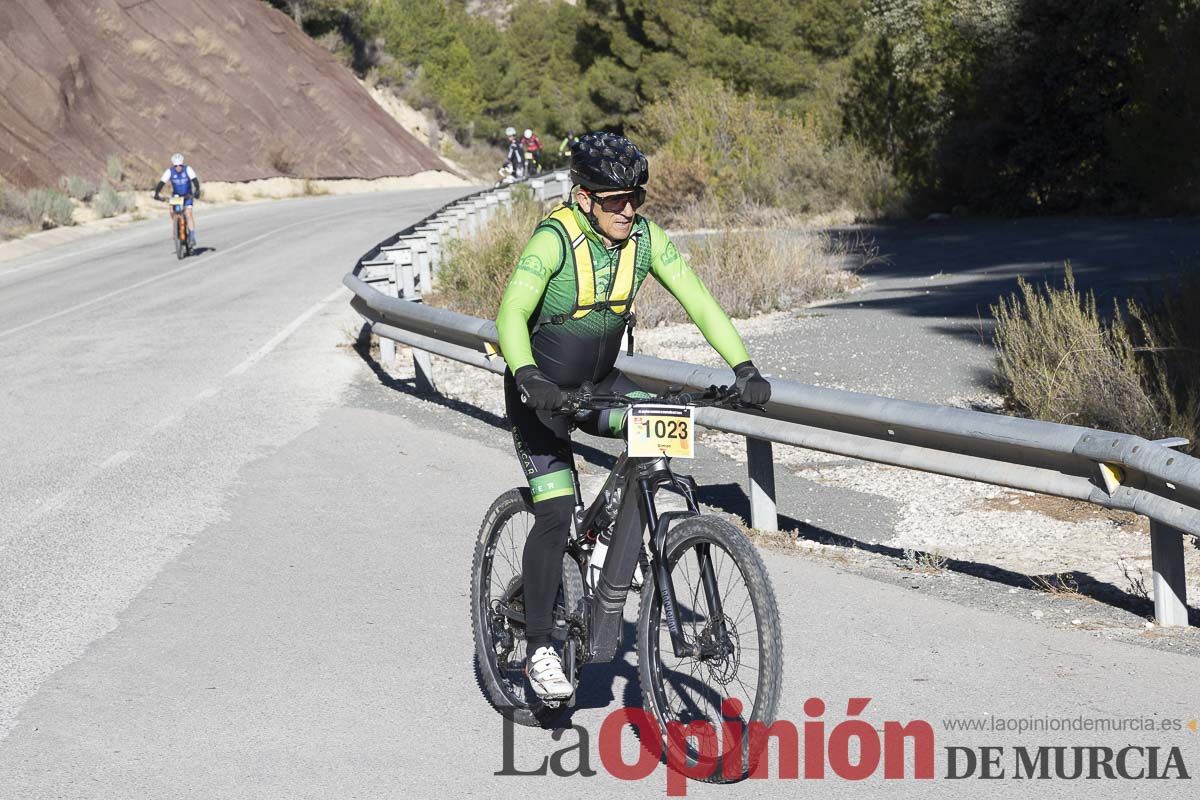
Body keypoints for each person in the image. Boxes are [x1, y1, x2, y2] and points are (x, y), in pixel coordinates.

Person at [494, 131, 771, 700]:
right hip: (541, 393)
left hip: (598, 387)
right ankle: (542, 645)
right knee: (554, 510)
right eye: (613, 199)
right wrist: (528, 378)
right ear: (583, 197)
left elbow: (699, 300)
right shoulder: (554, 241)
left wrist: (743, 367)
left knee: (659, 436)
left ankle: (608, 549)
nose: (627, 209)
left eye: (635, 197)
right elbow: (512, 312)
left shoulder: (646, 241)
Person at [153, 153, 201, 247]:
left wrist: (197, 190)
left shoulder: (188, 169)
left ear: (182, 164)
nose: (178, 167)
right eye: (176, 165)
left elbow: (195, 181)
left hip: (187, 195)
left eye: (180, 165)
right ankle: (176, 226)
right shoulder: (170, 171)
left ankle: (192, 236)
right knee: (172, 210)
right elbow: (161, 183)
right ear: (173, 165)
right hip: (176, 196)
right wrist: (157, 193)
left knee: (188, 214)